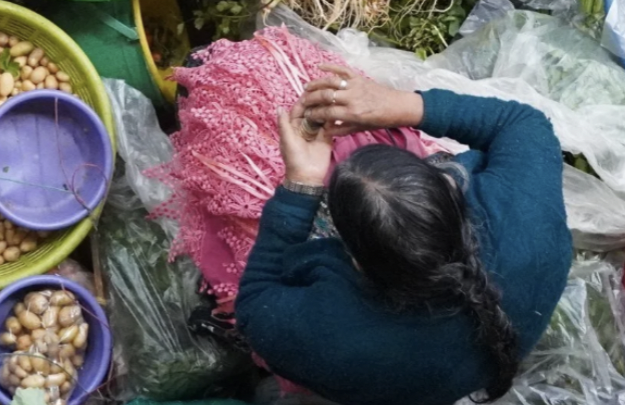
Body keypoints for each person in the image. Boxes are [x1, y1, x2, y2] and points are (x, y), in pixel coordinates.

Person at [235, 67, 573, 405]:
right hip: (501, 345)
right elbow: (522, 123)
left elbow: (254, 300)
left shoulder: (332, 339)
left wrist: (301, 182)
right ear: (449, 189)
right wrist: (402, 105)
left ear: (355, 260)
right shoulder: (527, 216)